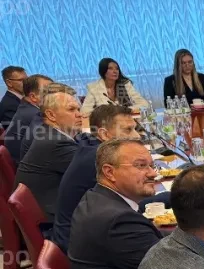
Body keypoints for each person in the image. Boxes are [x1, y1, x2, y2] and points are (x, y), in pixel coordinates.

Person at [68, 139, 163, 269]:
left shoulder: (97, 198)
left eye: (152, 165)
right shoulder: (118, 221)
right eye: (141, 166)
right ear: (109, 172)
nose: (153, 174)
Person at [52, 104, 141, 252]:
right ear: (104, 134)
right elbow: (133, 199)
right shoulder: (98, 159)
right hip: (79, 245)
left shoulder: (91, 145)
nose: (137, 136)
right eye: (128, 130)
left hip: (83, 231)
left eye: (135, 129)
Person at [14, 83, 83, 227]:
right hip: (53, 224)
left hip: (49, 208)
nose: (79, 114)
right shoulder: (56, 143)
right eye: (71, 109)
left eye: (78, 109)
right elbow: (95, 173)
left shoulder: (50, 132)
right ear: (51, 115)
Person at [3, 73, 50, 164]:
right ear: (33, 97)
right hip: (31, 166)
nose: (55, 96)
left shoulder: (26, 108)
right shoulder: (35, 115)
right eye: (48, 92)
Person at [82, 58, 150, 115]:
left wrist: (125, 110)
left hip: (125, 119)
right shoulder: (94, 88)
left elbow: (144, 104)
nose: (115, 71)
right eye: (110, 68)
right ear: (103, 71)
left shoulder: (125, 85)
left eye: (117, 69)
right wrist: (104, 113)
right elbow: (84, 111)